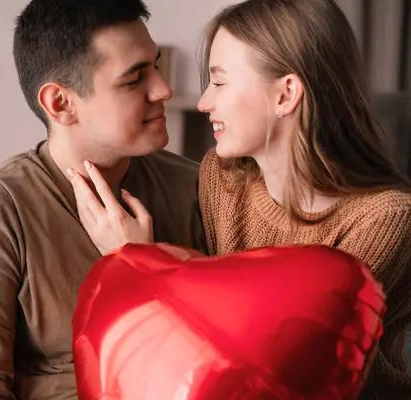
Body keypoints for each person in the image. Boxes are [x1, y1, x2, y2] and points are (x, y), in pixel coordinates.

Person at [67, 0, 411, 399]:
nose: (203, 102)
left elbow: (281, 363)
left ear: (286, 95)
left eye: (220, 82)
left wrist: (137, 263)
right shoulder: (223, 177)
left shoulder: (385, 219)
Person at [0, 0, 208, 399]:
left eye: (155, 66)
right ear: (60, 103)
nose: (163, 89)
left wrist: (142, 268)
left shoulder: (198, 188)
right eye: (133, 79)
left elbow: (229, 355)